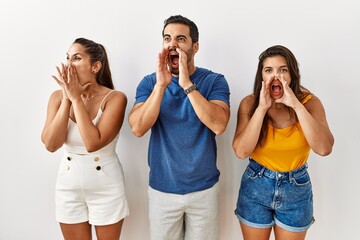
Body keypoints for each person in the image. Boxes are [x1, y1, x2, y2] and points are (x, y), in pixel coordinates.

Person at [128, 15, 230, 240]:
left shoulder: (214, 81)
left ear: (195, 47)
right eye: (167, 39)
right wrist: (161, 86)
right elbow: (137, 128)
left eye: (180, 39)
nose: (172, 44)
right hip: (162, 191)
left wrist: (186, 84)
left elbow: (219, 124)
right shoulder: (149, 83)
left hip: (204, 191)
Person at [232, 45, 334, 240]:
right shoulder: (249, 104)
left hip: (296, 188)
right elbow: (241, 151)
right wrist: (262, 108)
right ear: (261, 76)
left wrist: (295, 104)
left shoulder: (310, 103)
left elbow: (324, 148)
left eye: (282, 70)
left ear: (292, 75)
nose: (275, 76)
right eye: (268, 70)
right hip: (256, 186)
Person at [41, 38, 129, 240]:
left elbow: (92, 143)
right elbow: (51, 144)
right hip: (68, 185)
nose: (69, 64)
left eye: (77, 58)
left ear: (95, 66)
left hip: (106, 186)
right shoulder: (57, 97)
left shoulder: (115, 98)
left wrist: (76, 99)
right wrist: (66, 98)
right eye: (68, 58)